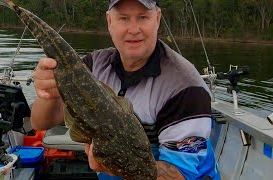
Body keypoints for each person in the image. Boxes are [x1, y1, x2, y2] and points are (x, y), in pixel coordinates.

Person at [31, 0, 221, 179]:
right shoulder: (94, 66)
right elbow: (41, 123)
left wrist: (115, 166)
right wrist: (49, 93)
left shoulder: (185, 87)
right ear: (109, 21)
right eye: (123, 18)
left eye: (143, 17)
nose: (133, 30)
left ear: (157, 19)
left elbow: (181, 174)